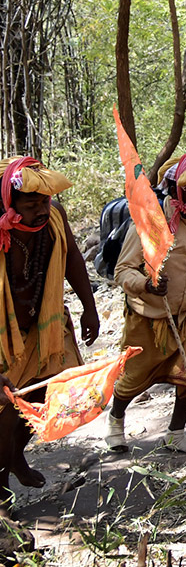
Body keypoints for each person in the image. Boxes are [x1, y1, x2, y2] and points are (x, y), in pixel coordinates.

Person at [0, 157, 100, 516]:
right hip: (3, 336)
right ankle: (1, 485)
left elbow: (73, 256)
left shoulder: (54, 215)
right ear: (9, 204)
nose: (42, 210)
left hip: (45, 324)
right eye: (32, 205)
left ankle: (15, 456)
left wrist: (89, 307)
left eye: (45, 201)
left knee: (42, 396)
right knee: (6, 408)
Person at [106, 154, 186, 454]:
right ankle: (116, 420)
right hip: (152, 316)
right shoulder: (152, 221)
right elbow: (123, 270)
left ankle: (176, 433)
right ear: (176, 191)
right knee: (136, 376)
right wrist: (147, 284)